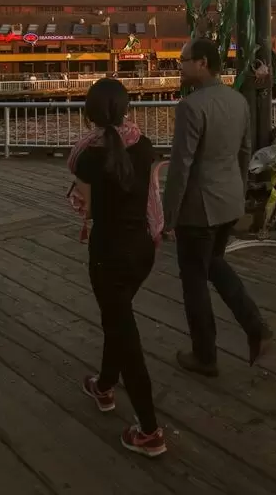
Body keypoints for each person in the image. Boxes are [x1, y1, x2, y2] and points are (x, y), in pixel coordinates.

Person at [67, 77, 166, 458]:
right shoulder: (144, 145)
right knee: (117, 317)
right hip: (141, 250)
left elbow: (87, 208)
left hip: (109, 252)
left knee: (125, 335)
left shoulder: (88, 157)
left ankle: (150, 430)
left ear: (90, 114)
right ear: (127, 109)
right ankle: (104, 386)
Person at [163, 38, 271, 377]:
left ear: (203, 63)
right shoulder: (238, 101)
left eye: (183, 60)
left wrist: (168, 216)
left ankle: (205, 355)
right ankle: (256, 327)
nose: (179, 65)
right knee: (214, 264)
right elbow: (244, 152)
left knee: (194, 281)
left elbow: (181, 166)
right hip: (227, 203)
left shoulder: (190, 107)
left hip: (198, 208)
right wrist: (237, 194)